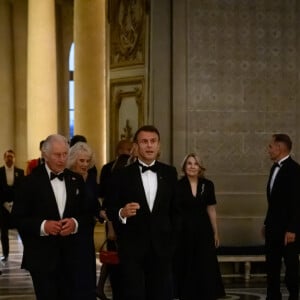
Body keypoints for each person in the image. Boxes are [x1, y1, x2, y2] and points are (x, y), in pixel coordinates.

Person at [11, 134, 96, 300]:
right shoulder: (29, 183)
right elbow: (17, 219)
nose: (62, 159)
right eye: (58, 155)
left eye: (65, 154)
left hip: (72, 258)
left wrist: (75, 223)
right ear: (45, 154)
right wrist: (43, 226)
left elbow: (89, 215)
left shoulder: (76, 180)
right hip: (42, 258)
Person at [106, 125, 179, 300]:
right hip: (132, 249)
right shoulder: (121, 175)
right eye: (144, 142)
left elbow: (176, 211)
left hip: (162, 249)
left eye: (153, 141)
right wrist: (122, 213)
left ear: (159, 145)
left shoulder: (170, 173)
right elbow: (110, 207)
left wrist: (172, 242)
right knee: (133, 294)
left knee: (161, 294)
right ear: (136, 146)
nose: (149, 146)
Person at [174, 153, 225, 300]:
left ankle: (206, 293)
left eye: (195, 164)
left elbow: (211, 209)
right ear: (184, 166)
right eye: (189, 163)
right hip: (183, 230)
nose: (192, 166)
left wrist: (216, 233)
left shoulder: (208, 185)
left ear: (200, 167)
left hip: (204, 230)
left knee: (204, 262)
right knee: (186, 261)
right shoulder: (177, 185)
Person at [263, 133, 300, 300]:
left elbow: (297, 202)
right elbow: (274, 202)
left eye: (270, 146)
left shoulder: (295, 170)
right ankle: (273, 297)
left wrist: (292, 229)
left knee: (291, 268)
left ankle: (294, 296)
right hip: (272, 228)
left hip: (288, 232)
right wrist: (266, 223)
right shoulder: (274, 168)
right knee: (272, 266)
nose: (268, 150)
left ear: (280, 148)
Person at [97, 139, 133, 300]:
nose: (129, 151)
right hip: (114, 220)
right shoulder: (109, 169)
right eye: (127, 149)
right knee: (113, 257)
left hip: (129, 222)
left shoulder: (132, 166)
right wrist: (110, 227)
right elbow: (107, 201)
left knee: (120, 259)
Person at [67, 141, 100, 298]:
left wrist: (102, 214)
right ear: (73, 159)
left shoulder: (91, 178)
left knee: (87, 271)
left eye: (87, 161)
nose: (85, 164)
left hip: (87, 231)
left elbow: (94, 205)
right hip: (71, 232)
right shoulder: (67, 178)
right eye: (81, 160)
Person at [0, 150, 24, 262]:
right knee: (3, 232)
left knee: (22, 230)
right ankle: (5, 253)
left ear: (14, 158)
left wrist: (16, 203)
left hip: (17, 206)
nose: (10, 159)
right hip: (2, 206)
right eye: (8, 157)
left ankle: (27, 253)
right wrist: (4, 203)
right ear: (4, 158)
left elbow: (21, 189)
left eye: (12, 157)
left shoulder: (20, 171)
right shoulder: (0, 171)